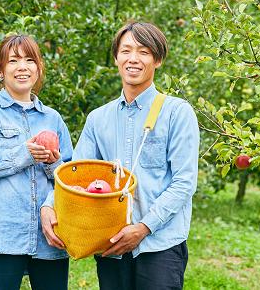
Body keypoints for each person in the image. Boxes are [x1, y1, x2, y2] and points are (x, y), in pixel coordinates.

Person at [41, 21, 199, 289]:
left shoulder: (177, 113)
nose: (133, 59)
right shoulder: (98, 119)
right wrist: (49, 205)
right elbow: (74, 174)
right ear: (116, 58)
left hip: (159, 244)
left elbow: (184, 182)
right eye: (126, 51)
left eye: (143, 52)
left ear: (157, 60)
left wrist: (143, 228)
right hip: (111, 241)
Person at [0, 34, 73, 290]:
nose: (22, 67)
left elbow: (69, 179)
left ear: (39, 68)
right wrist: (23, 155)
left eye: (30, 60)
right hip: (2, 234)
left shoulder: (52, 118)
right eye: (13, 60)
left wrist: (53, 164)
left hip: (48, 235)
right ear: (0, 69)